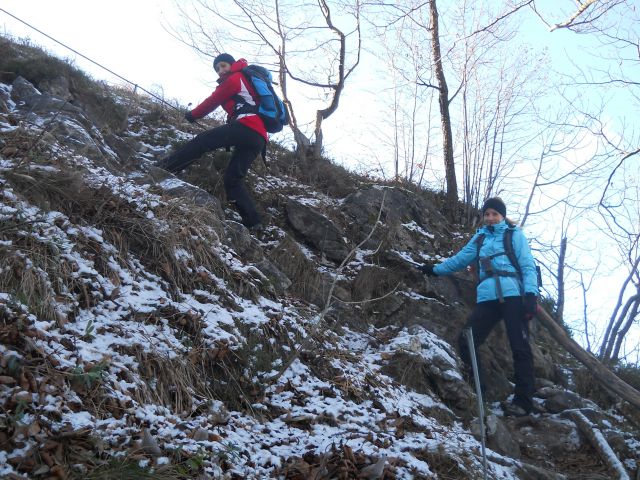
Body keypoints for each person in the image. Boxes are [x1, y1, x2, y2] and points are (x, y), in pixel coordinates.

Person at [419, 197, 539, 416]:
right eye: (487, 214)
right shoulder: (480, 238)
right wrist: (434, 269)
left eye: (495, 214)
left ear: (502, 216)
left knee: (520, 347)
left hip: (513, 295)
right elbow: (459, 260)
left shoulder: (514, 235)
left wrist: (531, 295)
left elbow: (528, 266)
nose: (490, 218)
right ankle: (479, 392)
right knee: (468, 339)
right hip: (487, 297)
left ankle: (524, 402)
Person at [156, 53, 267, 231]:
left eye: (223, 65)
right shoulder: (244, 80)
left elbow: (213, 101)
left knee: (202, 141)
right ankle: (254, 222)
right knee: (233, 179)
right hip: (259, 137)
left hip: (247, 126)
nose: (220, 70)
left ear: (232, 65)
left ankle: (163, 169)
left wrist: (193, 115)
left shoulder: (235, 78)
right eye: (217, 68)